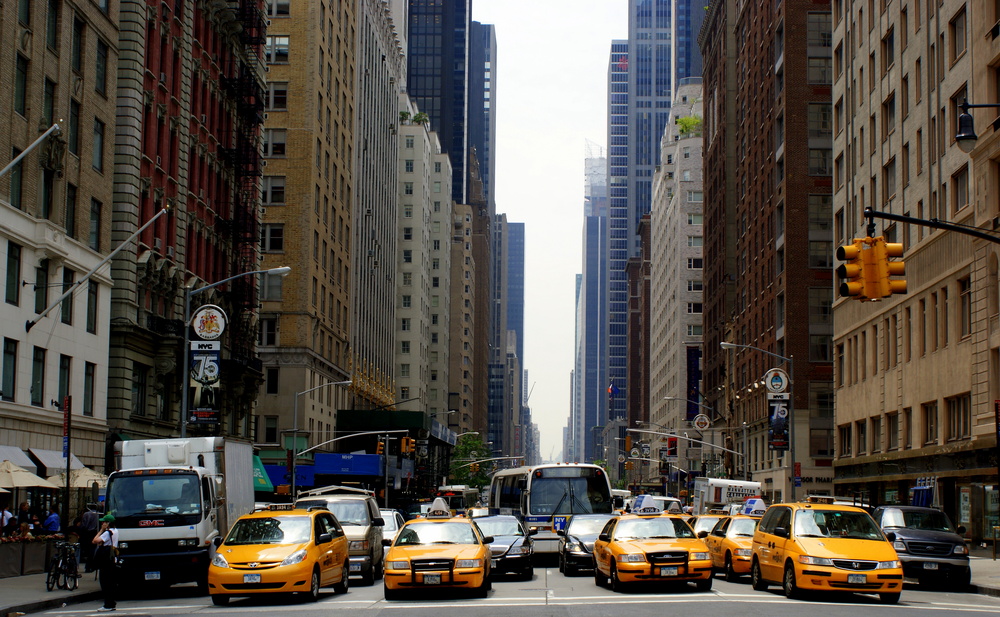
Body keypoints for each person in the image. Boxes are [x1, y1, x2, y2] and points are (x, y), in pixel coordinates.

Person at [91, 514, 119, 612]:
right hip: (112, 558)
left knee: (105, 582)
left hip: (106, 560)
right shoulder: (116, 531)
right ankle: (111, 603)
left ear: (108, 523)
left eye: (104, 522)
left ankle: (108, 604)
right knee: (111, 582)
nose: (102, 523)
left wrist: (101, 530)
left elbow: (94, 541)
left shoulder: (107, 533)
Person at [81, 504, 100, 571]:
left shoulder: (87, 514)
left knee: (88, 550)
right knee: (93, 549)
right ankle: (91, 565)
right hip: (94, 532)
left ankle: (88, 566)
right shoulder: (97, 514)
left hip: (88, 533)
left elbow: (84, 524)